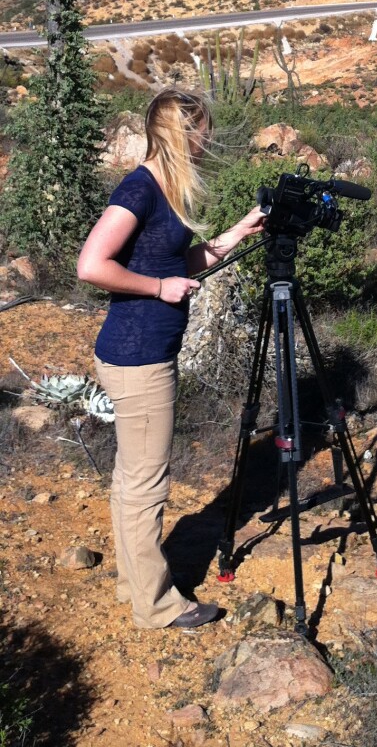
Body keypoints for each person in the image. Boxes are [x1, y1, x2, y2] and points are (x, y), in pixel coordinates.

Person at [77, 88, 265, 630]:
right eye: (203, 130)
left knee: (130, 479)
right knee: (146, 485)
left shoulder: (162, 188)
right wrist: (158, 290)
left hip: (135, 353)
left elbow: (172, 261)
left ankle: (131, 587)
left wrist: (232, 236)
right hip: (138, 360)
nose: (208, 141)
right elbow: (92, 264)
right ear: (186, 133)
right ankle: (157, 605)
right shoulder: (139, 189)